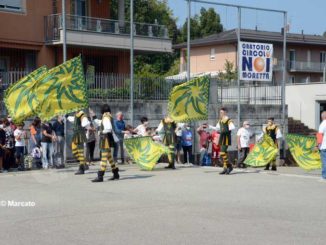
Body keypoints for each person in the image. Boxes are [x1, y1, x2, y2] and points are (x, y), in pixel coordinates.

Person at [91, 105, 120, 182]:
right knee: (109, 158)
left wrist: (100, 132)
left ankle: (100, 176)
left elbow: (108, 128)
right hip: (106, 139)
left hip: (105, 140)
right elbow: (99, 123)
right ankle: (116, 174)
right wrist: (93, 116)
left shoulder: (106, 117)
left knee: (104, 158)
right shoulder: (107, 116)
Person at [209, 107, 235, 175]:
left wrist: (226, 130)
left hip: (226, 138)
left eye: (221, 112)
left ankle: (229, 166)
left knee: (222, 153)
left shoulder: (228, 120)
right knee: (224, 154)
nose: (220, 114)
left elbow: (232, 127)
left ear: (225, 113)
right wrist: (211, 127)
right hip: (221, 137)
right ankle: (225, 168)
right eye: (220, 112)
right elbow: (217, 128)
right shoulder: (220, 121)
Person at [317, 111, 326, 180]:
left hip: (324, 146)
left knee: (324, 162)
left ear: (322, 117)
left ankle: (324, 176)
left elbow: (320, 135)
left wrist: (318, 145)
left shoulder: (323, 124)